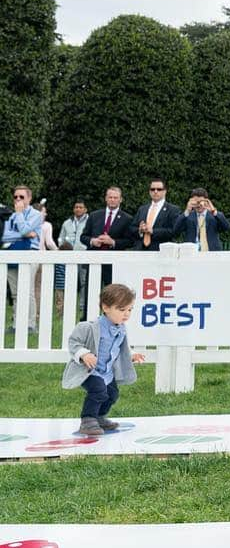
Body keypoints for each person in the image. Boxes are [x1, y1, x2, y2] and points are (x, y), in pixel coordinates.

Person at [61, 283, 145, 436]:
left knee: (112, 394)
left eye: (129, 310)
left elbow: (120, 346)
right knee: (99, 391)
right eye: (121, 310)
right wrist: (84, 354)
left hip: (107, 372)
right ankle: (87, 420)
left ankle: (99, 417)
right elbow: (73, 343)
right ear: (106, 307)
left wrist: (131, 354)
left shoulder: (121, 328)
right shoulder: (88, 327)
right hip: (89, 371)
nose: (126, 314)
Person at [3, 185, 43, 333]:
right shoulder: (11, 215)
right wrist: (23, 233)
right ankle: (16, 324)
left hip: (30, 253)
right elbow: (5, 235)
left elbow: (25, 229)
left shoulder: (36, 215)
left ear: (29, 198)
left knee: (28, 290)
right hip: (13, 253)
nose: (18, 199)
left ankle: (30, 324)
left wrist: (20, 216)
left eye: (22, 197)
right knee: (15, 292)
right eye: (16, 197)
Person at [82, 186, 134, 290]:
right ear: (106, 198)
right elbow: (83, 236)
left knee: (112, 295)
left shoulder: (127, 219)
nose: (112, 200)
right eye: (110, 197)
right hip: (94, 260)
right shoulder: (94, 215)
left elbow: (130, 241)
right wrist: (92, 241)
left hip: (114, 263)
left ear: (120, 199)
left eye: (115, 197)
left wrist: (113, 242)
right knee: (90, 292)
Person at [131, 178, 182, 251]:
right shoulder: (142, 209)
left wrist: (153, 231)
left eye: (159, 189)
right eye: (152, 189)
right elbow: (132, 228)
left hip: (162, 252)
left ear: (165, 191)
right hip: (140, 250)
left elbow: (174, 231)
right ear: (149, 192)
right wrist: (140, 230)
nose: (155, 191)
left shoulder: (173, 210)